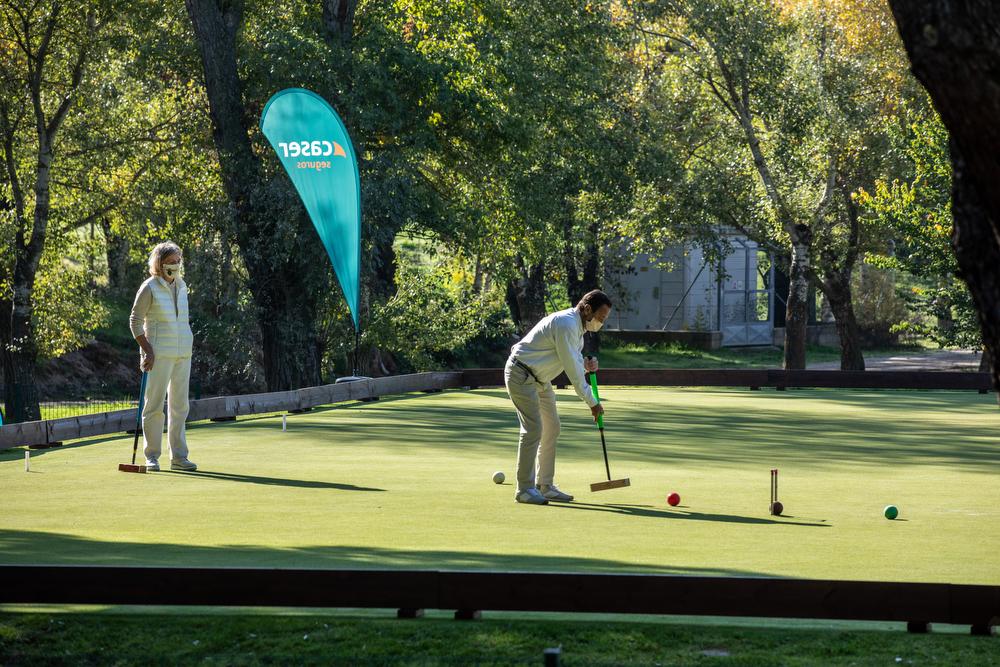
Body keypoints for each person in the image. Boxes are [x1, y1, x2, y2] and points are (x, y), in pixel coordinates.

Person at [504, 289, 612, 505]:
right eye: (600, 317)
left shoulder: (577, 329)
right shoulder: (565, 324)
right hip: (521, 373)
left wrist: (585, 365)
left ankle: (545, 485)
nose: (600, 323)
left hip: (539, 380)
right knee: (533, 428)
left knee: (552, 427)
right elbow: (572, 371)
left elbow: (572, 359)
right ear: (587, 309)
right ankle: (524, 489)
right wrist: (593, 402)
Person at [129, 241, 197, 472]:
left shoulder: (182, 285)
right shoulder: (149, 287)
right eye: (171, 261)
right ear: (159, 263)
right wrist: (147, 350)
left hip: (182, 354)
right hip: (157, 355)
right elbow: (135, 321)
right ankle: (152, 456)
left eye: (178, 261)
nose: (176, 265)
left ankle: (179, 457)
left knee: (180, 406)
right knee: (154, 406)